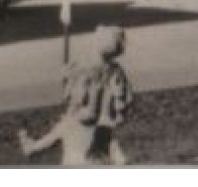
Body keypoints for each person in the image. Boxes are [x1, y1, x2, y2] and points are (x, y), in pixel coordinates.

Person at [19, 25, 134, 166]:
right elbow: (125, 100)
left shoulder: (84, 69)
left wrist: (67, 81)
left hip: (81, 133)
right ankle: (33, 147)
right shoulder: (115, 71)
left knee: (66, 129)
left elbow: (73, 98)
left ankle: (33, 146)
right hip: (100, 132)